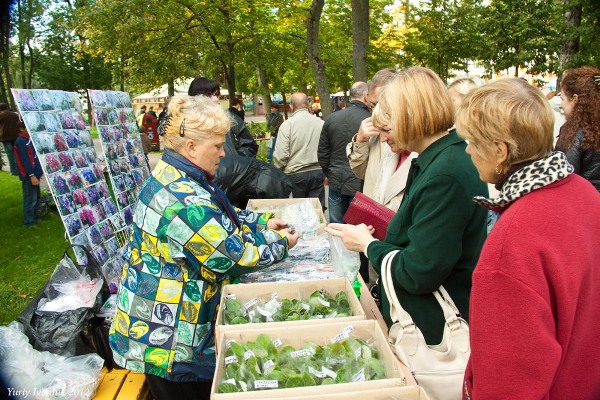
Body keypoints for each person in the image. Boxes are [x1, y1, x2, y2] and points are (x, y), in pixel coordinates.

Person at [108, 94, 299, 400]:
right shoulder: (184, 199)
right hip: (170, 340)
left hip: (164, 324)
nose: (224, 154)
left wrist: (261, 222)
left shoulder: (181, 175)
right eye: (218, 146)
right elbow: (231, 256)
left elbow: (219, 217)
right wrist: (281, 243)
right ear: (192, 146)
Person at [456, 78, 600, 399]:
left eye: (472, 141)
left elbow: (507, 385)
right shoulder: (584, 193)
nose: (467, 150)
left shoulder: (514, 241)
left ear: (499, 151)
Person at [326, 67, 488, 346]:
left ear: (412, 119)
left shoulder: (444, 173)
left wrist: (368, 245)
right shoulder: (437, 160)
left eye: (387, 129)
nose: (384, 139)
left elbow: (418, 271)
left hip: (434, 333)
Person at [347, 68, 416, 211]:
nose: (376, 111)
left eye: (382, 105)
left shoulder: (418, 144)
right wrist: (360, 141)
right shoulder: (372, 131)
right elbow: (360, 172)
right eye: (372, 105)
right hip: (374, 218)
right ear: (366, 98)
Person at [318, 81, 370, 223]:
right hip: (360, 183)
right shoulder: (369, 121)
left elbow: (323, 152)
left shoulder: (332, 118)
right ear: (366, 97)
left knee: (336, 226)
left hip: (336, 179)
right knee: (358, 228)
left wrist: (330, 173)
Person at [273, 92, 326, 207]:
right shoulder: (321, 123)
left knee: (297, 213)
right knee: (316, 211)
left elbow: (281, 155)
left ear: (291, 106)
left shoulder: (287, 125)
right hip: (317, 172)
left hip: (295, 174)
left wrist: (278, 170)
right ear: (308, 104)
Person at [554, 66, 600, 192]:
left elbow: (563, 181)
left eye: (562, 99)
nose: (561, 104)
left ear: (575, 99)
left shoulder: (573, 133)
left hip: (585, 205)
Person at [188, 77, 258, 157]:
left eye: (216, 95)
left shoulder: (231, 119)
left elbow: (249, 146)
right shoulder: (183, 123)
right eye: (209, 95)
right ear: (196, 97)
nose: (215, 99)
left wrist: (236, 162)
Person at [13, 122, 43, 227]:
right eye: (27, 127)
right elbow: (25, 160)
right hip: (29, 176)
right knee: (30, 199)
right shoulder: (21, 141)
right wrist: (31, 175)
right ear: (21, 129)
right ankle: (29, 222)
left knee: (37, 197)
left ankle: (35, 218)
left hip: (35, 174)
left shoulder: (28, 139)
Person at [0, 103, 20, 175]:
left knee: (9, 154)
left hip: (5, 137)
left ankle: (13, 171)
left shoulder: (1, 115)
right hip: (15, 136)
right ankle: (19, 169)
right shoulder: (14, 115)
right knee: (17, 153)